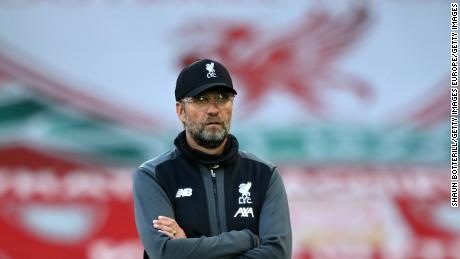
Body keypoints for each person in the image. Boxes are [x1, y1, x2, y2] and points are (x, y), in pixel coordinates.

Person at [132, 58, 292, 259]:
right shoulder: (154, 175)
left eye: (223, 97)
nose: (214, 109)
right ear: (181, 111)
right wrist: (246, 239)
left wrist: (188, 249)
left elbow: (278, 253)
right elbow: (166, 253)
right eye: (201, 99)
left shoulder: (264, 174)